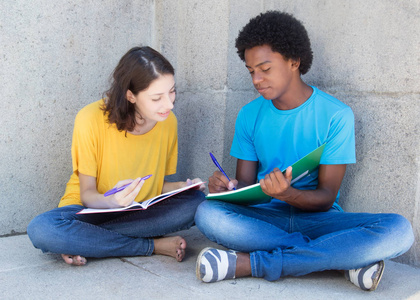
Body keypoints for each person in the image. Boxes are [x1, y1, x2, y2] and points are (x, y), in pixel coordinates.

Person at [194, 11, 414, 291]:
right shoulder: (249, 115)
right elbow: (247, 188)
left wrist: (287, 193)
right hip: (265, 221)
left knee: (399, 230)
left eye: (265, 68)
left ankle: (253, 264)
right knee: (206, 213)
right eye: (251, 72)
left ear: (294, 61)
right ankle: (341, 259)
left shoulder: (336, 115)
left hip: (319, 220)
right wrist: (227, 189)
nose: (256, 80)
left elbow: (325, 198)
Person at [27, 46, 206, 266]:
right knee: (42, 228)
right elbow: (87, 195)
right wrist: (112, 200)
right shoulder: (89, 119)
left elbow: (154, 185)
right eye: (157, 97)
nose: (169, 104)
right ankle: (151, 246)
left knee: (197, 203)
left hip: (135, 214)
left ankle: (84, 240)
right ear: (130, 95)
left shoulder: (168, 122)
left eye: (172, 91)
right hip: (88, 210)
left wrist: (184, 186)